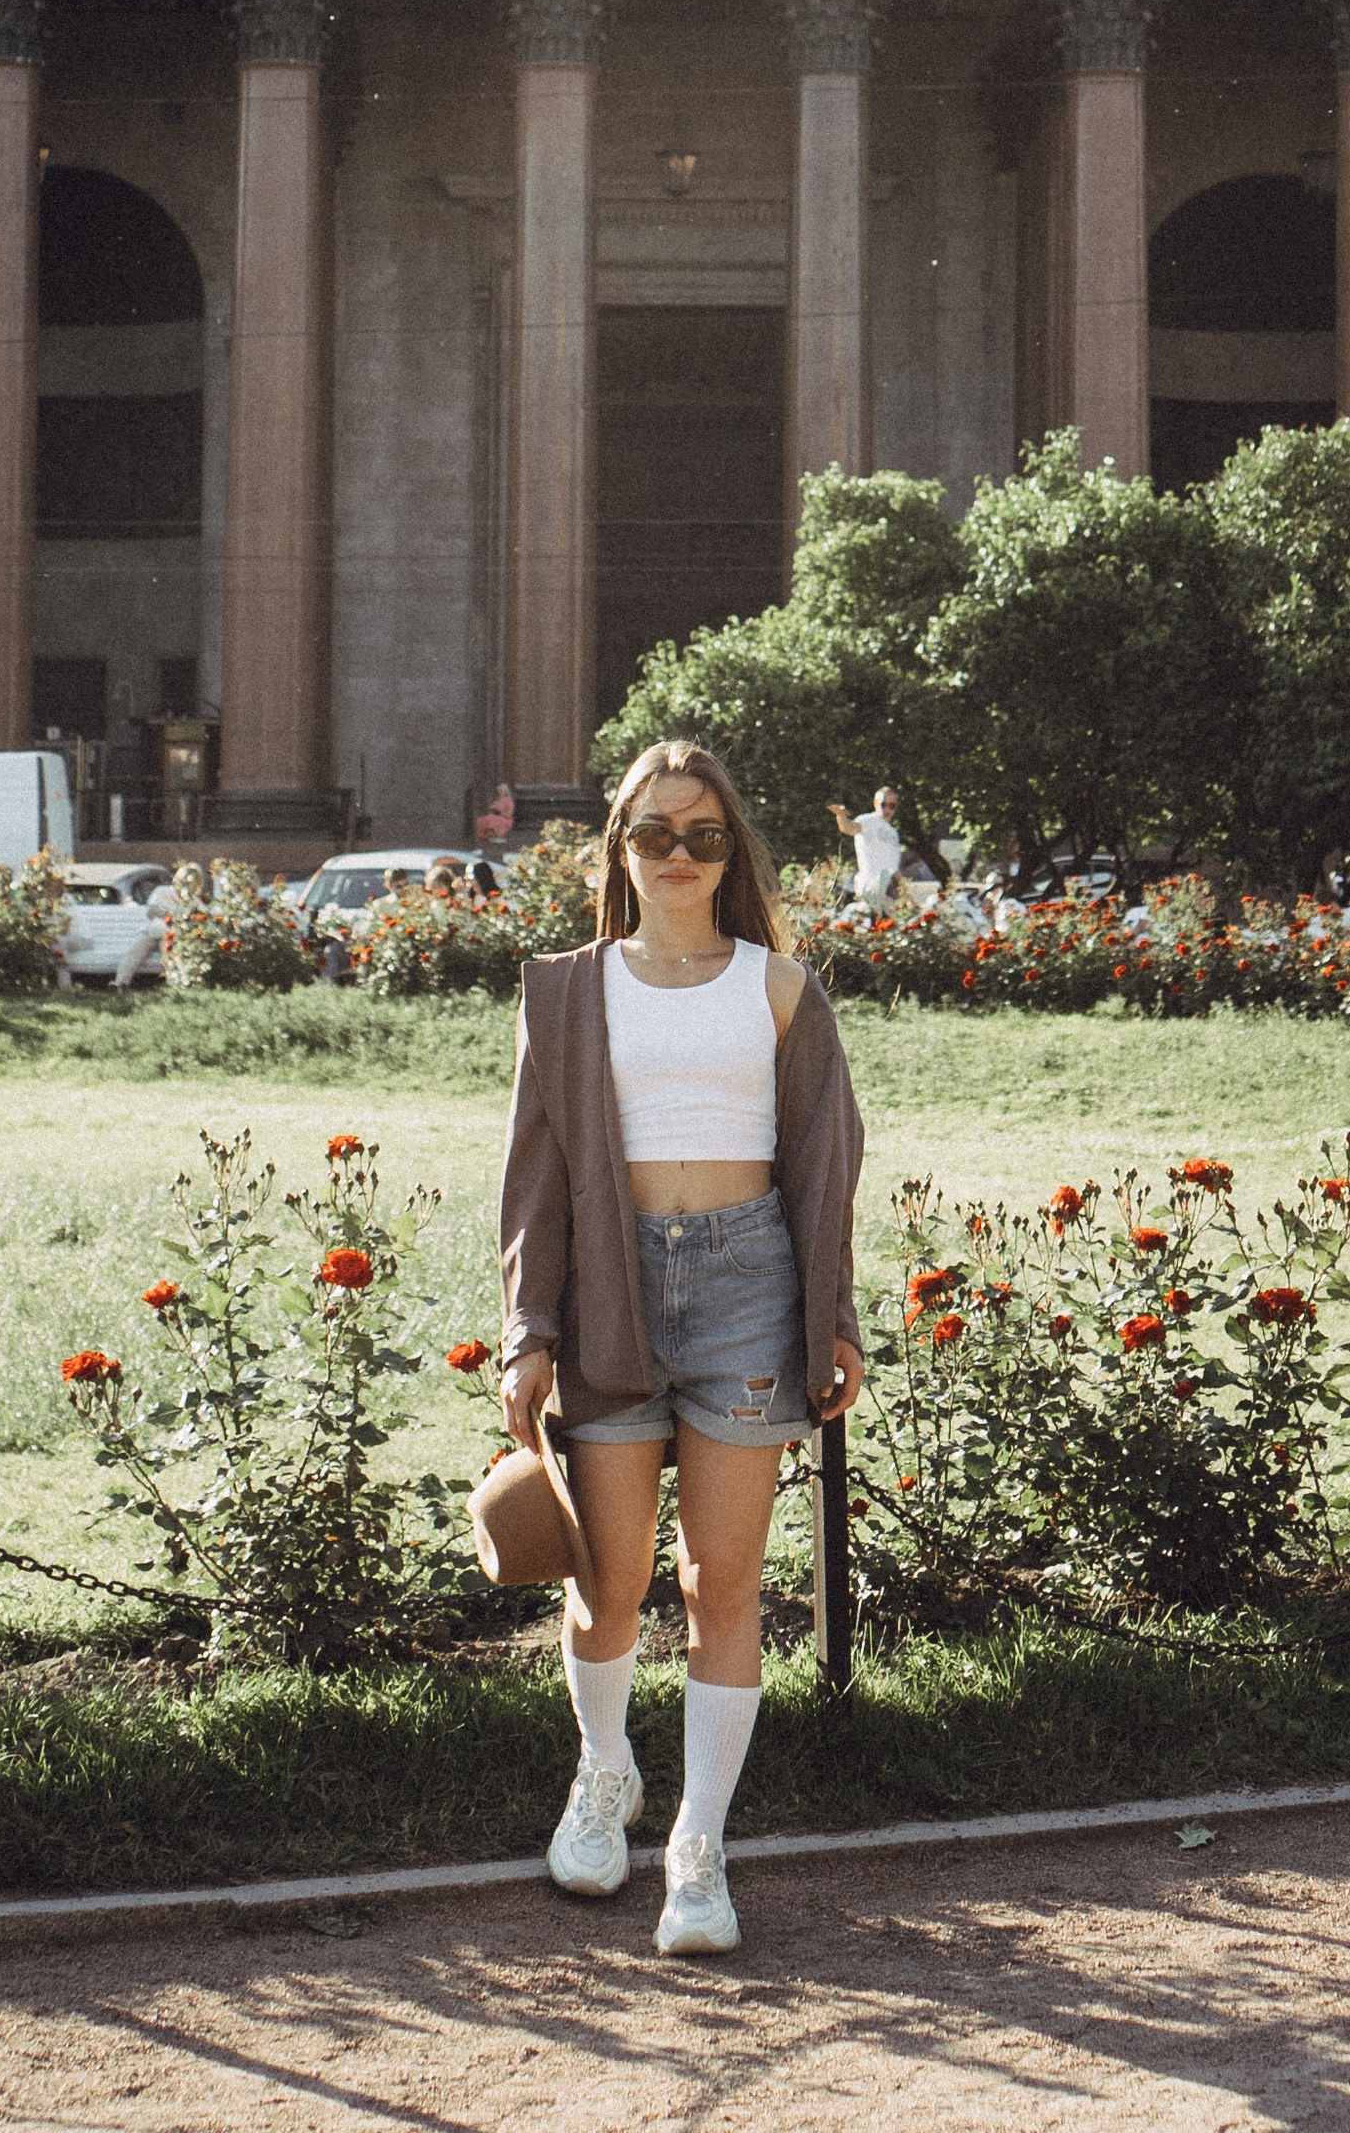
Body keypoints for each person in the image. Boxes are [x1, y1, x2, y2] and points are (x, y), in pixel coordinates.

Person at [501, 740, 864, 1960]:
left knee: (723, 1583)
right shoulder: (565, 989)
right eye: (653, 834)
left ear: (731, 852)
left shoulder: (777, 986)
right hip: (608, 1284)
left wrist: (837, 1321)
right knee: (606, 1582)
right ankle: (605, 1775)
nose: (677, 856)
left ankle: (698, 1848)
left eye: (702, 836)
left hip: (749, 1286)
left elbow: (823, 1168)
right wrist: (527, 1331)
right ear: (620, 848)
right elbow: (535, 1177)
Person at [829, 788, 904, 910]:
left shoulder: (893, 832)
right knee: (873, 924)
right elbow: (848, 828)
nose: (887, 809)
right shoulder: (867, 820)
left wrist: (903, 888)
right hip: (871, 885)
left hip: (890, 890)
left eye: (892, 805)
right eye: (883, 804)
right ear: (875, 803)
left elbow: (894, 865)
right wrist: (841, 816)